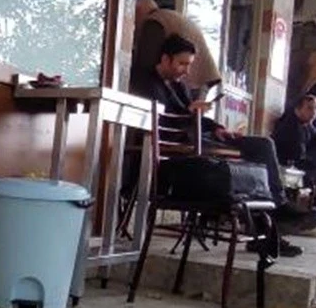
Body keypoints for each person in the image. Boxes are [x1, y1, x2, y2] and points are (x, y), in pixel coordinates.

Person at [130, 34, 305, 254]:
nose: (186, 70)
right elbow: (157, 120)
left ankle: (277, 207)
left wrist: (216, 128)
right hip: (174, 151)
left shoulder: (180, 87)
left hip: (197, 139)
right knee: (238, 174)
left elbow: (193, 117)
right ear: (165, 59)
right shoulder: (144, 82)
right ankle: (269, 229)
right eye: (182, 63)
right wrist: (190, 113)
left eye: (189, 65)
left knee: (262, 145)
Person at [133, 0, 222, 102]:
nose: (135, 24)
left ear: (139, 13)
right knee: (189, 113)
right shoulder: (173, 16)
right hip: (203, 80)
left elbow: (146, 61)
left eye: (135, 18)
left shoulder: (154, 19)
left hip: (186, 81)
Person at [270, 94, 316, 209]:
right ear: (298, 109)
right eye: (309, 108)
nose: (314, 112)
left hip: (296, 169)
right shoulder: (289, 127)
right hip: (286, 171)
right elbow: (297, 156)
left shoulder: (306, 125)